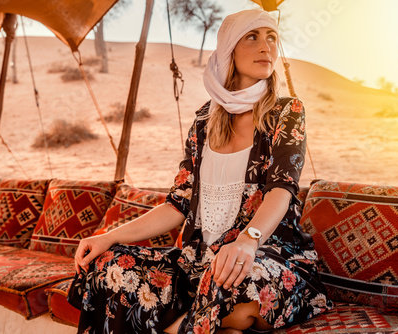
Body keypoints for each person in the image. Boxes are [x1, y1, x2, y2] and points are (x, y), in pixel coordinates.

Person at [73, 8, 332, 334]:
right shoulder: (203, 120)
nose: (266, 47)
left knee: (236, 278)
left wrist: (247, 241)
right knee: (107, 266)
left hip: (267, 254)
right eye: (252, 37)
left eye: (272, 38)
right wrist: (108, 237)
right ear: (229, 50)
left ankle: (177, 325)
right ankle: (217, 324)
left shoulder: (287, 111)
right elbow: (177, 205)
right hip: (197, 259)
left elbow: (281, 189)